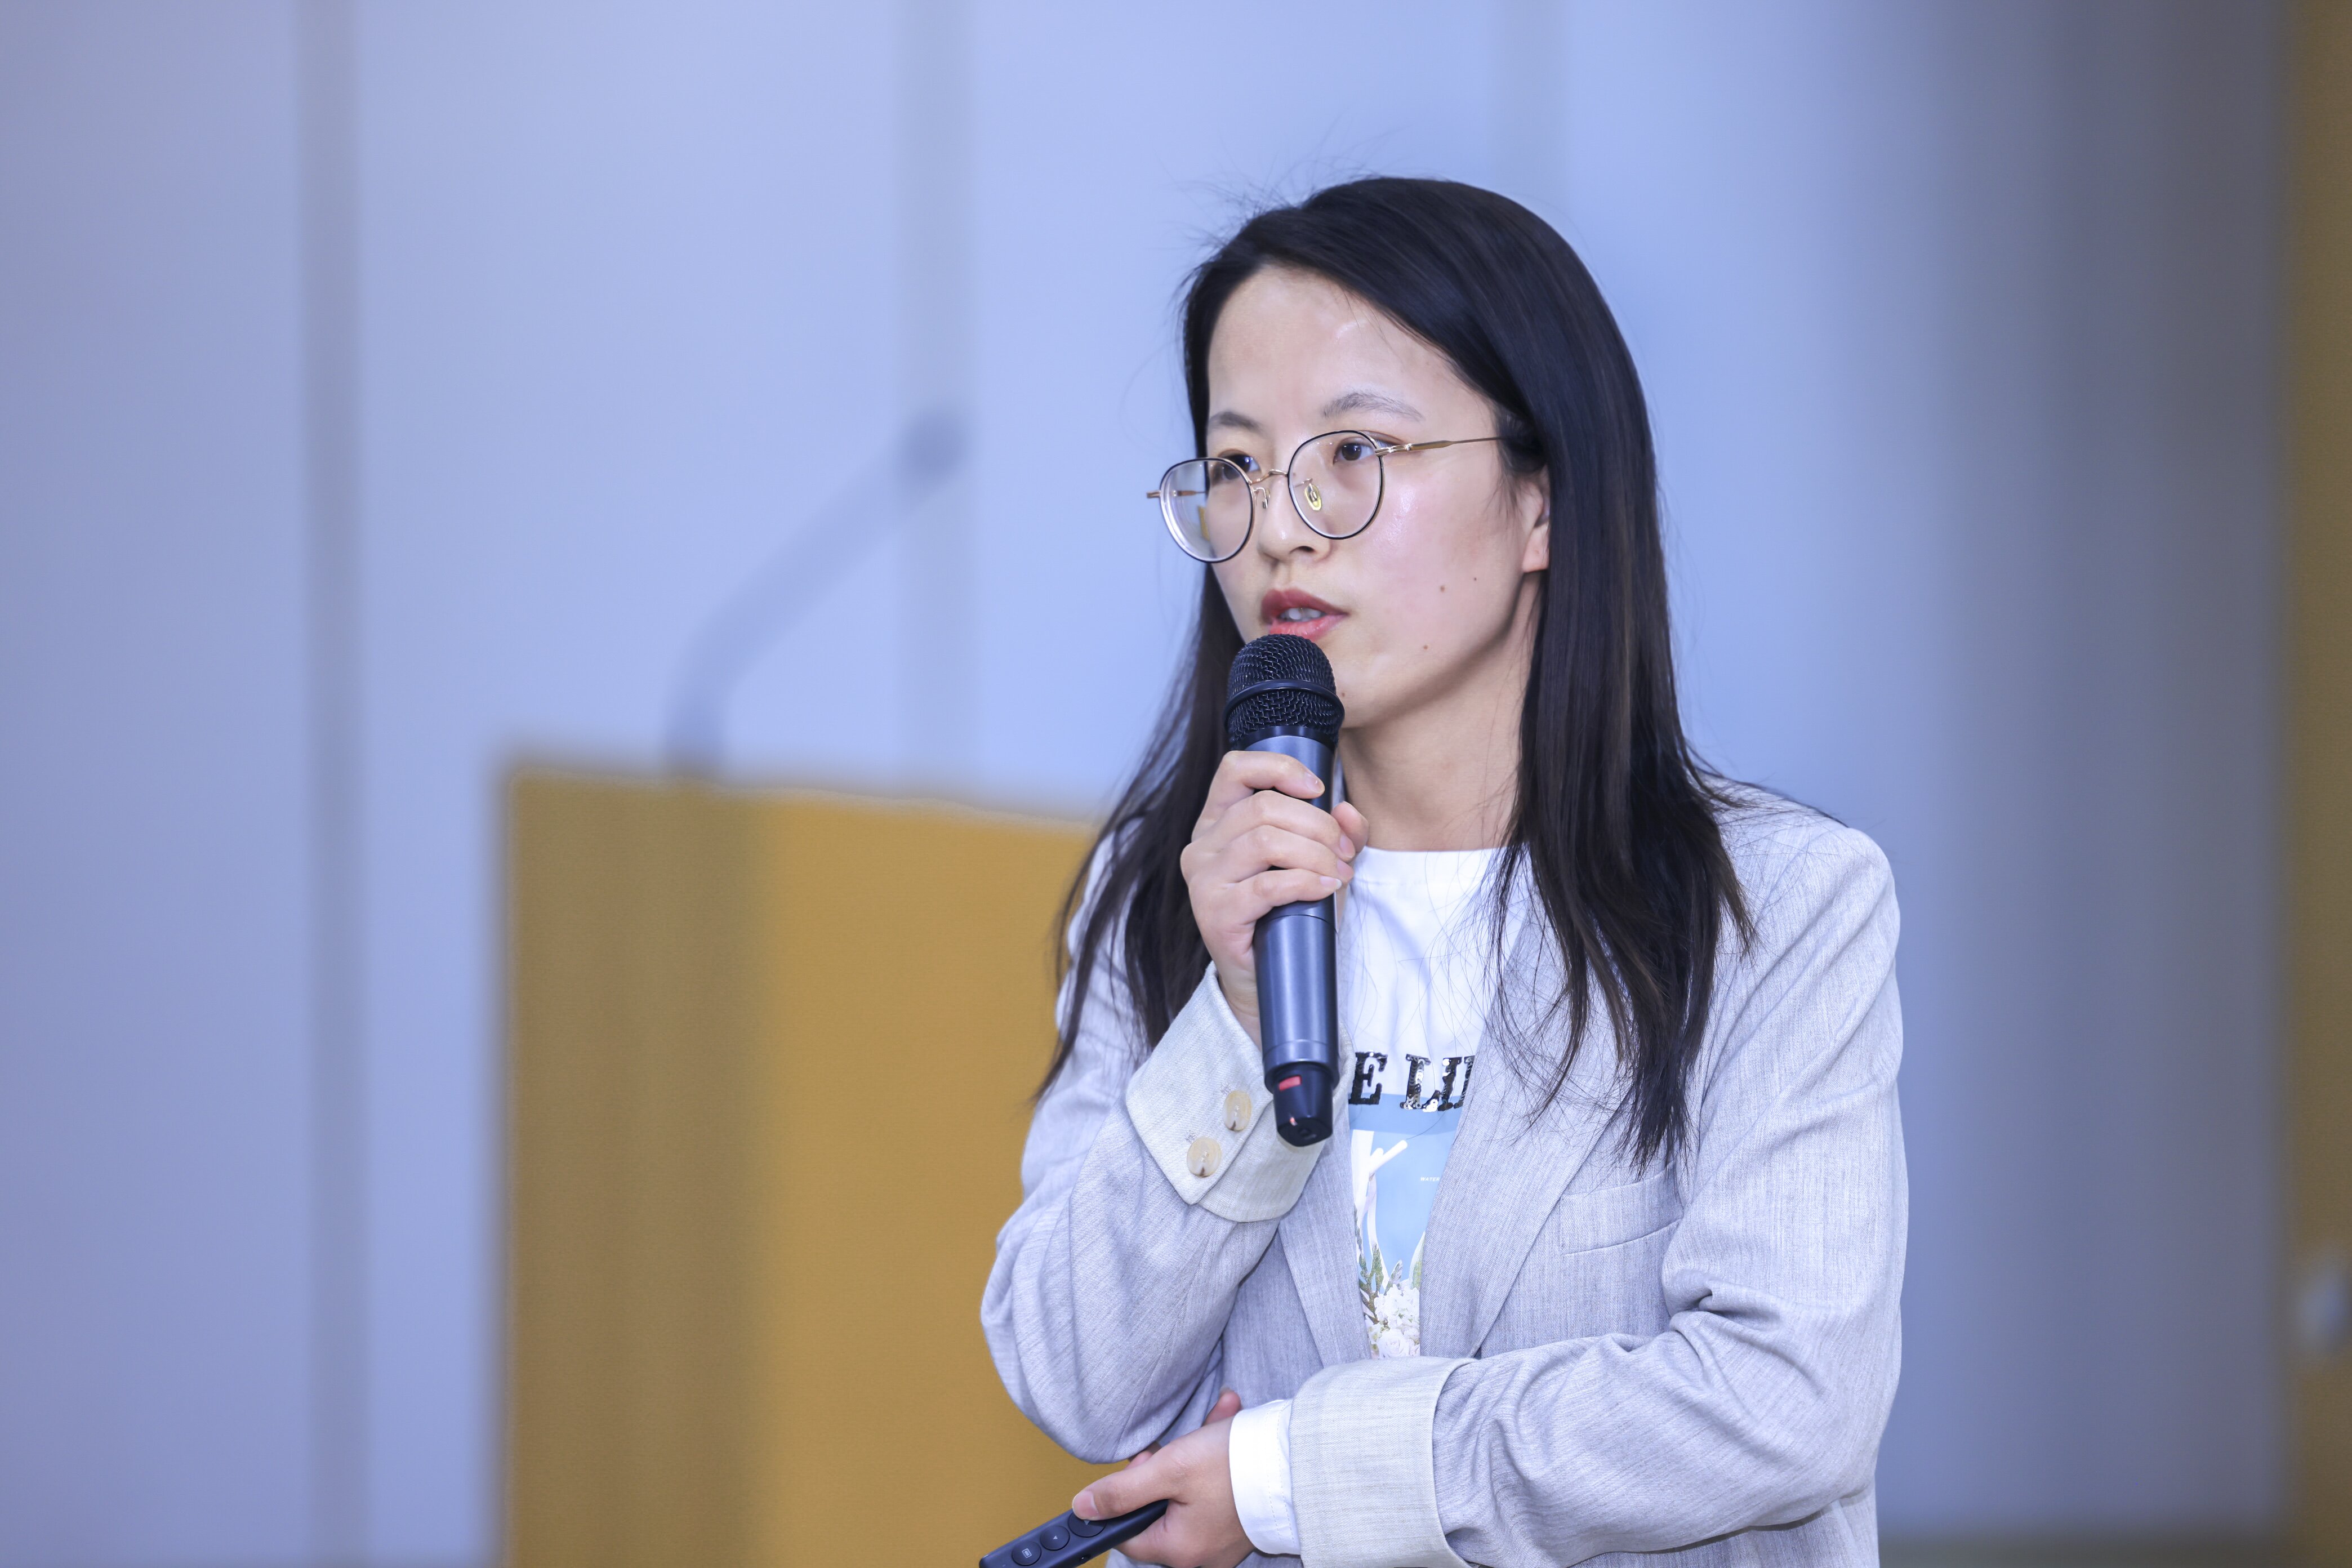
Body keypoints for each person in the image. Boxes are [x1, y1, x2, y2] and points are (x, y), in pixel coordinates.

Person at [981, 177, 1905, 1568]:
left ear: (1543, 501)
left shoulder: (1775, 910)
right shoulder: (1177, 890)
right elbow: (1071, 1374)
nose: (1281, 527)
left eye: (1355, 451)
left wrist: (1296, 1476)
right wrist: (1233, 1019)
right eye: (1235, 465)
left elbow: (1786, 1402)